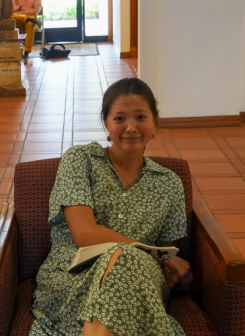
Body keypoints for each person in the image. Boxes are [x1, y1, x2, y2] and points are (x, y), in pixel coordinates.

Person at [30, 78, 192, 336]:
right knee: (126, 259)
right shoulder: (80, 160)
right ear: (106, 123)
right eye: (119, 119)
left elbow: (169, 256)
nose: (131, 128)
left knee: (130, 266)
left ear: (155, 124)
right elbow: (84, 235)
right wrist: (139, 253)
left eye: (140, 117)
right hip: (73, 277)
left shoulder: (169, 183)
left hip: (140, 283)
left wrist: (174, 271)